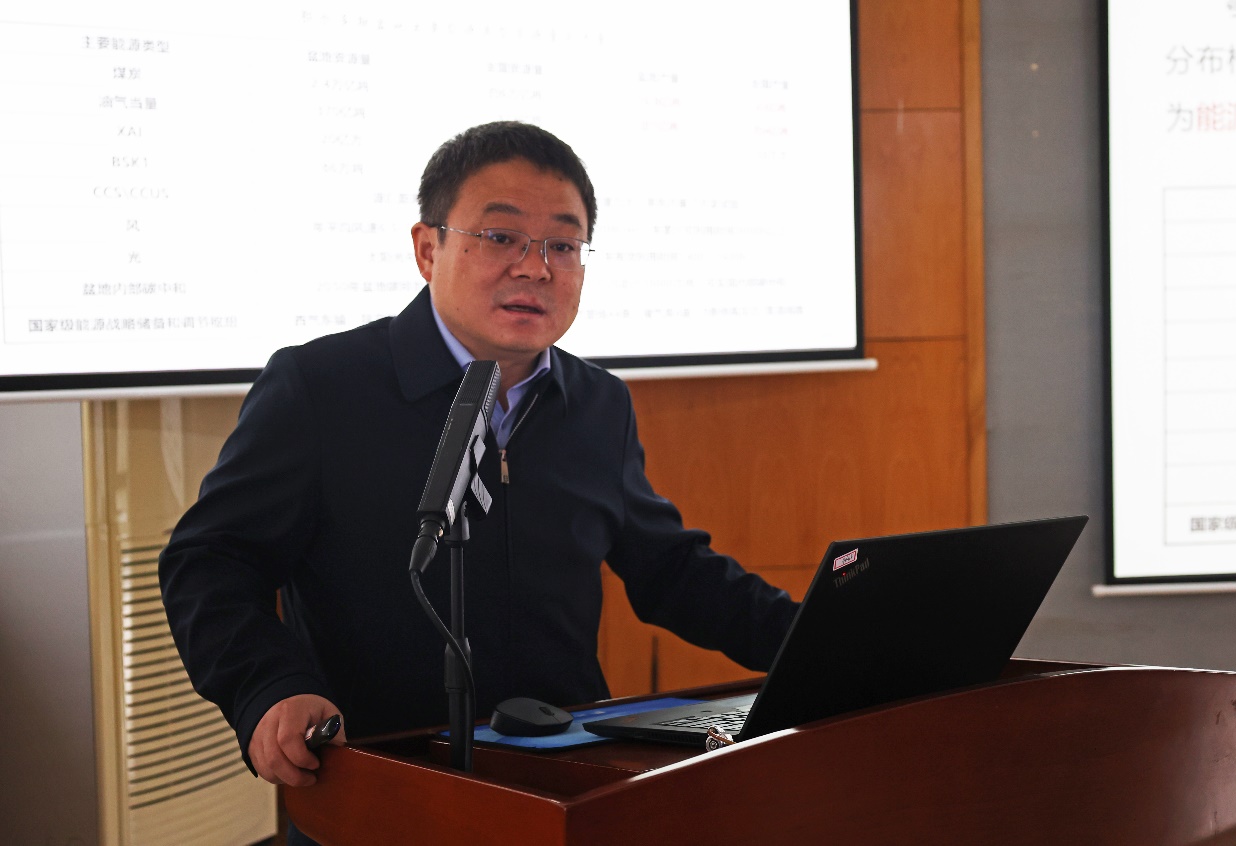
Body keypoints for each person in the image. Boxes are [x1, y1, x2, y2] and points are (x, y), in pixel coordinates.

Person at [158, 121, 798, 810]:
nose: (535, 268)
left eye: (562, 245)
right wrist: (268, 689)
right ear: (426, 248)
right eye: (500, 237)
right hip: (378, 779)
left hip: (565, 782)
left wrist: (823, 645)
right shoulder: (320, 388)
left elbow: (669, 570)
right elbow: (212, 560)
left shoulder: (597, 403)